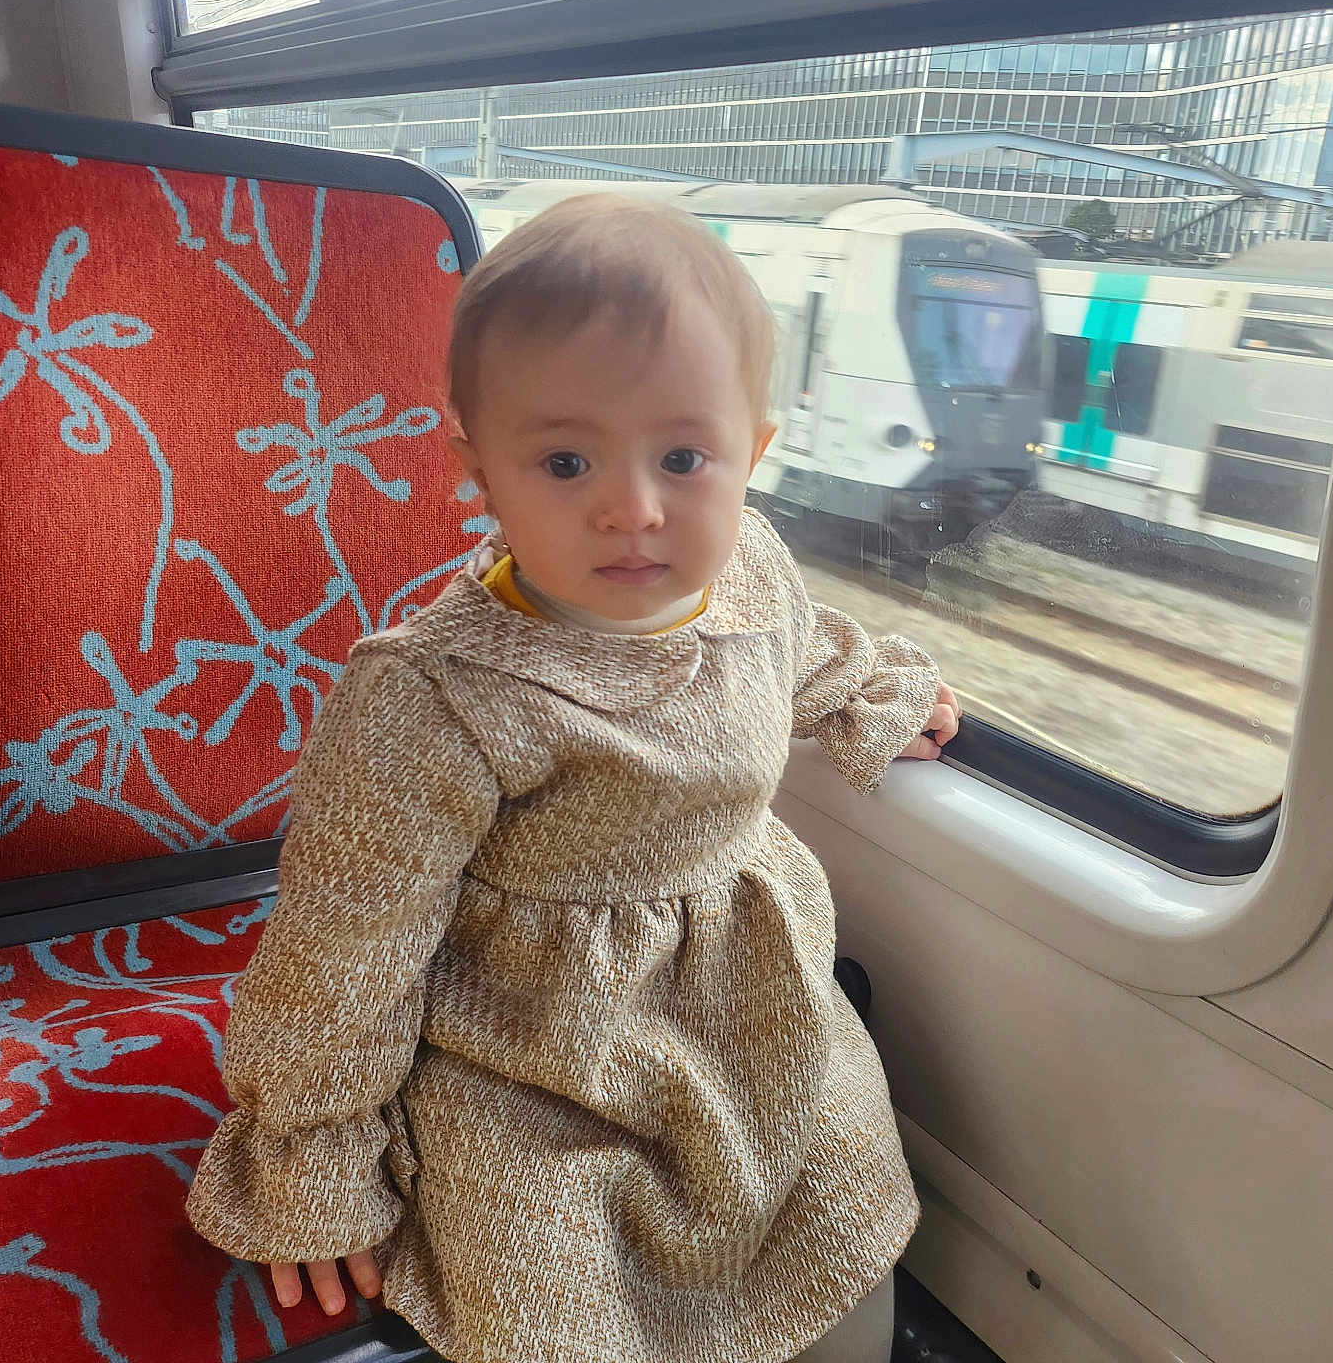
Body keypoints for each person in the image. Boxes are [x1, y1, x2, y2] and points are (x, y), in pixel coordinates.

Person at [185, 193, 960, 1363]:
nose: (634, 509)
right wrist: (316, 1149)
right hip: (539, 1051)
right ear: (479, 470)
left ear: (753, 450)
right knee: (546, 1286)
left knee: (844, 1208)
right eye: (563, 460)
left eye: (684, 457)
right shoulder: (434, 692)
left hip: (757, 1010)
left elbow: (789, 648)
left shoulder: (748, 564)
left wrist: (867, 694)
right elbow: (346, 943)